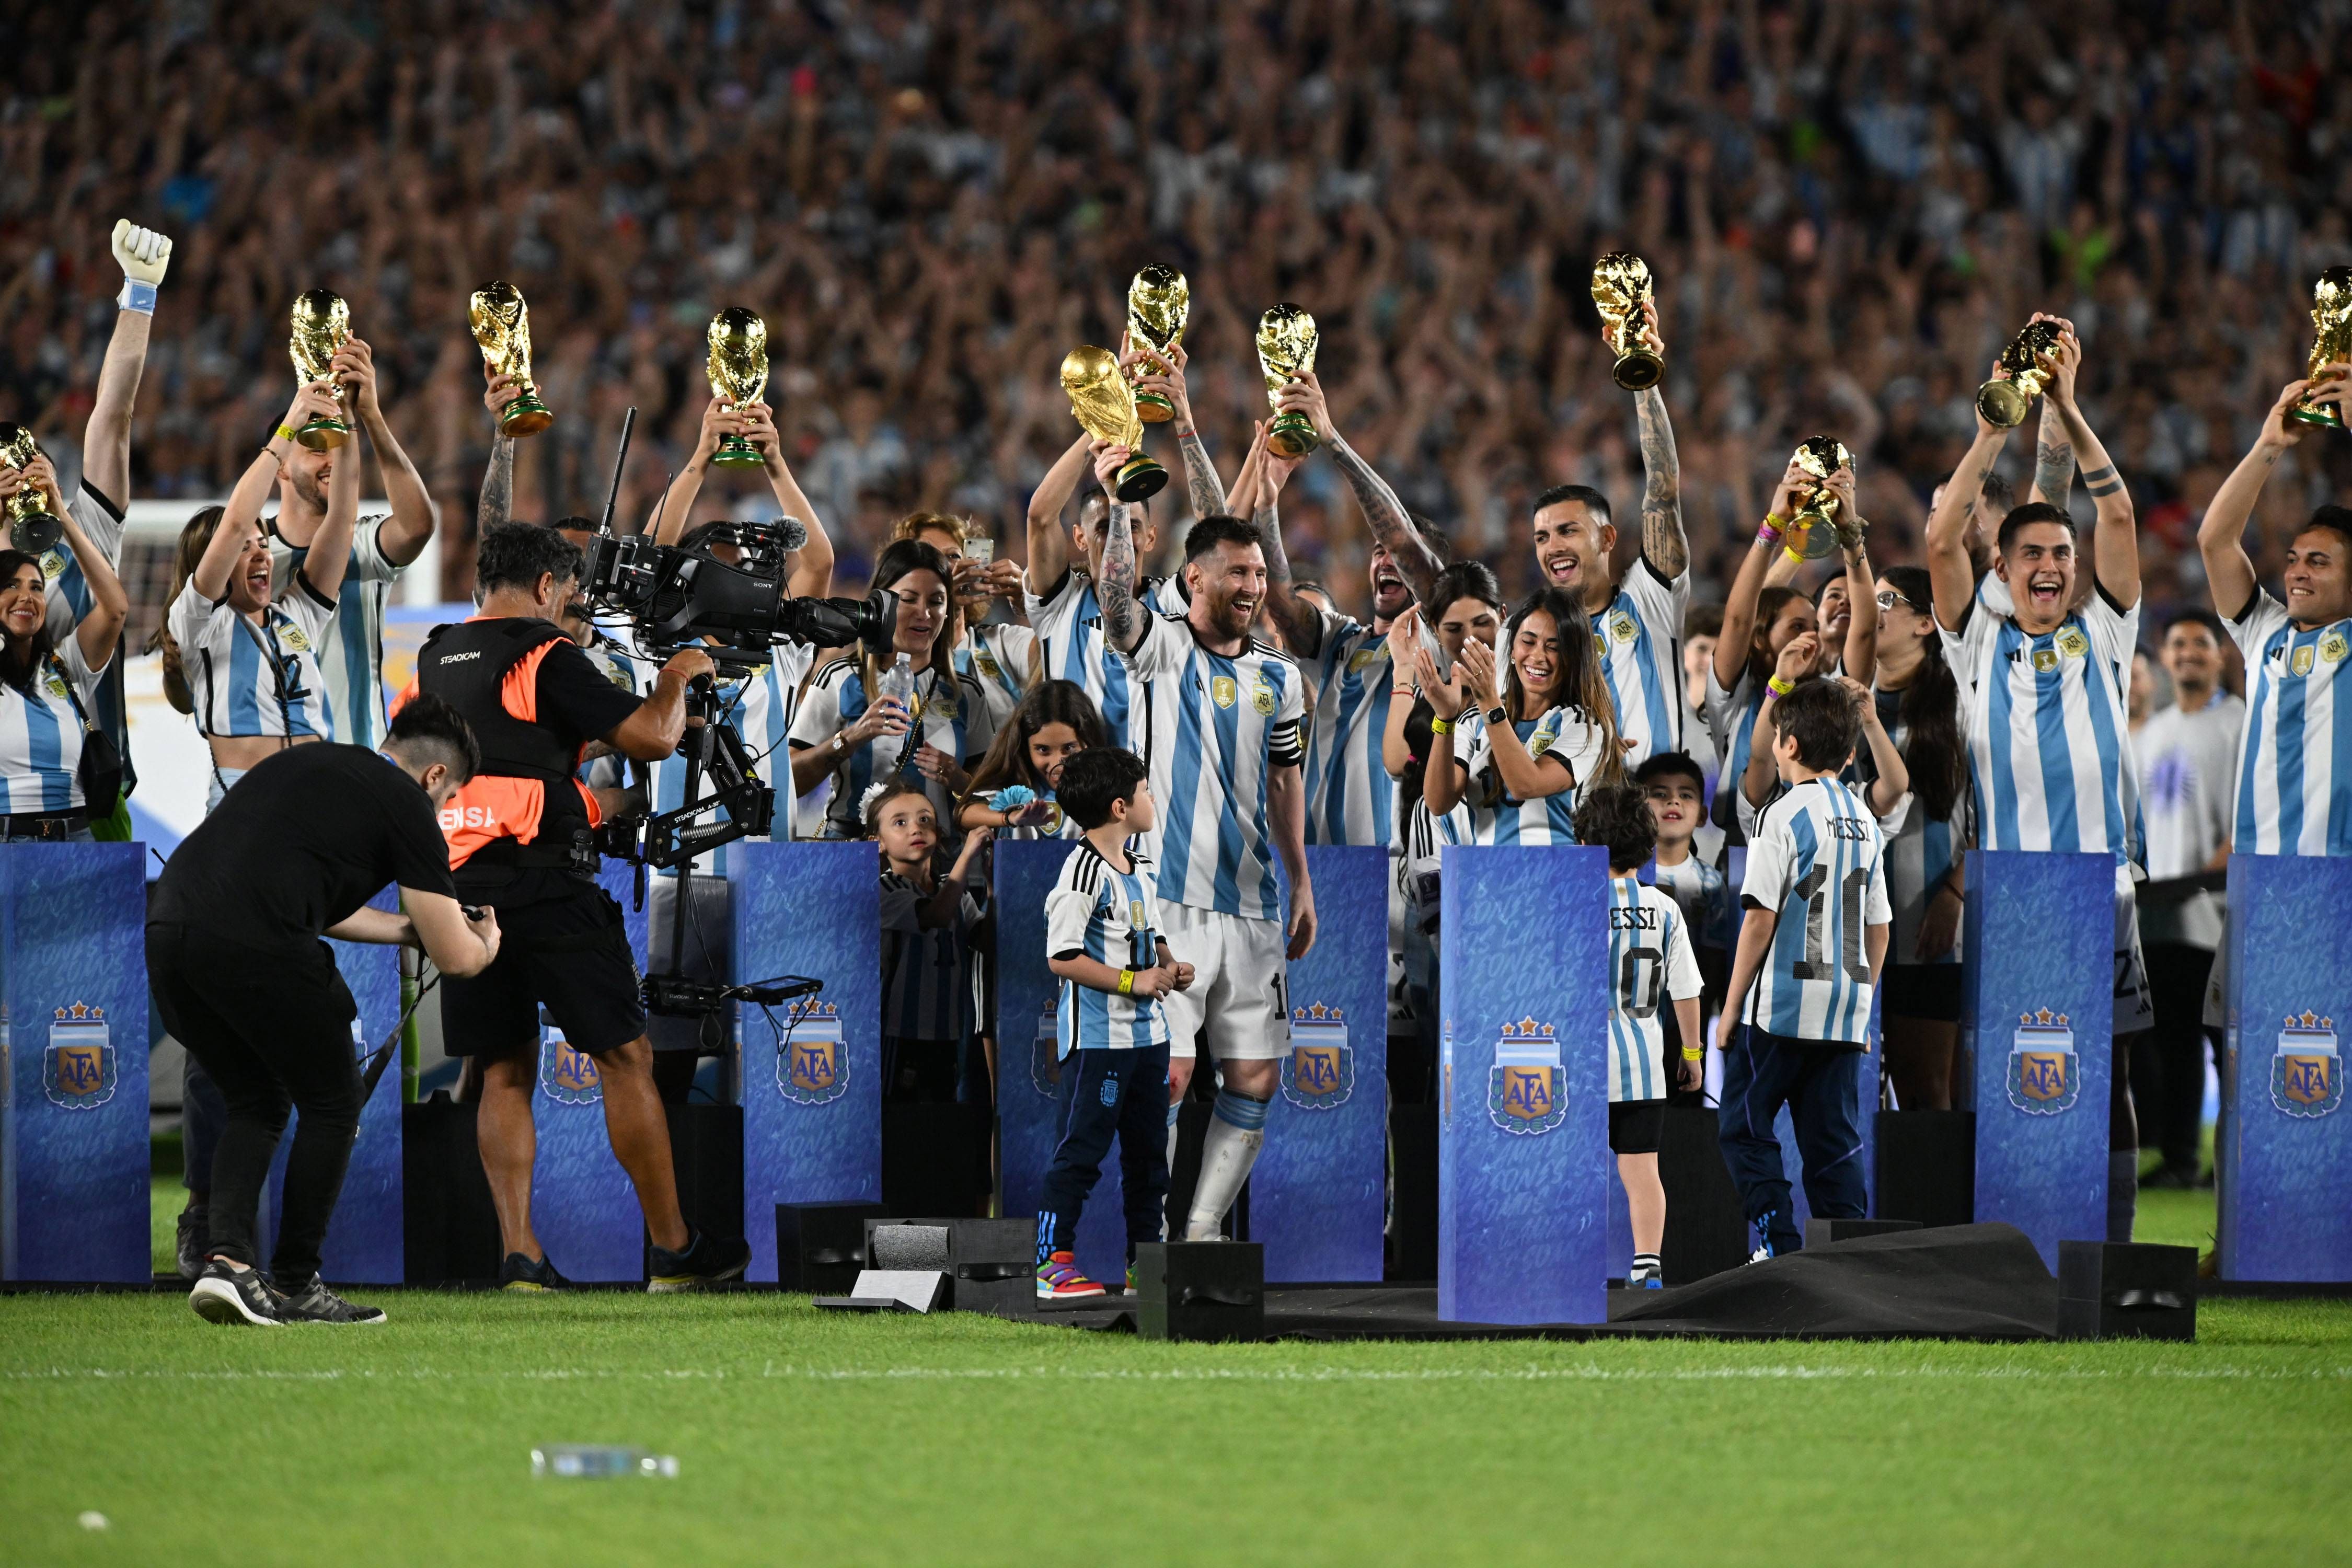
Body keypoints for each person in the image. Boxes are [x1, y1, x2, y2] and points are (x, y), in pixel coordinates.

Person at [406, 522, 750, 1292]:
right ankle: (672, 1251)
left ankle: (519, 1254)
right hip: (548, 885)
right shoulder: (544, 651)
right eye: (568, 592)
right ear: (545, 588)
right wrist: (678, 677)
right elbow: (654, 740)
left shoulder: (436, 655)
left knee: (502, 1069)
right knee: (625, 1056)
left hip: (460, 888)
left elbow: (499, 747)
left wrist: (576, 753)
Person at [150, 695, 501, 1325]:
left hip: (170, 933)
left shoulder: (304, 766)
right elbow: (457, 959)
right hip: (254, 938)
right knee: (335, 1102)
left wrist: (405, 929)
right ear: (435, 777)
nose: (444, 813)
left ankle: (226, 1264)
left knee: (255, 1098)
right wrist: (485, 944)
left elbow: (318, 902)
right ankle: (294, 1284)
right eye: (449, 802)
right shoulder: (408, 807)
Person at [1927, 315, 2150, 1243]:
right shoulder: (1976, 644)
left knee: (2113, 1071)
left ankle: (2116, 1244)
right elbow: (1943, 542)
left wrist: (2066, 405)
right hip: (2011, 895)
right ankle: (2010, 1235)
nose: (2053, 565)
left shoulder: (2107, 631)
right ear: (2006, 571)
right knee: (2015, 1064)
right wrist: (1998, 420)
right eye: (2035, 556)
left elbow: (2123, 514)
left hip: (2108, 886)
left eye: (2063, 554)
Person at [1093, 442, 1314, 1243]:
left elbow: (1286, 782)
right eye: (1237, 574)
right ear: (1195, 579)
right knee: (1175, 1074)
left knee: (1256, 1075)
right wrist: (1121, 504)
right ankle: (1148, 1237)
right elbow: (1116, 602)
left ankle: (1198, 1234)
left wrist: (1302, 881)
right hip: (1169, 901)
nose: (1253, 587)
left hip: (1254, 905)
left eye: (1258, 575)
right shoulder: (1159, 647)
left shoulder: (1279, 678)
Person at [0, 221, 168, 841]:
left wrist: (140, 297)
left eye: (23, 464)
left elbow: (113, 417)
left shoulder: (85, 528)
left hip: (94, 797)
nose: (16, 482)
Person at [1716, 679, 1892, 1261]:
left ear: (1787, 745)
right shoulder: (1865, 820)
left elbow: (1760, 920)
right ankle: (1848, 1260)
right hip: (1843, 1013)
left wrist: (1732, 1008)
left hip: (1781, 1008)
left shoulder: (1783, 815)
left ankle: (1779, 1245)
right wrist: (1862, 1004)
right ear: (1847, 754)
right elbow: (1880, 928)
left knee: (1744, 1127)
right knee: (1833, 1144)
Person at [1243, 374, 1446, 850]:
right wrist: (1268, 506)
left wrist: (1332, 442)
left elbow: (1403, 543)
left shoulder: (1443, 642)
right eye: (1376, 552)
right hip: (1324, 865)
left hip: (1401, 861)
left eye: (1396, 556)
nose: (1386, 559)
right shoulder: (1341, 641)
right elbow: (1279, 603)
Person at [1036, 747, 1193, 1300]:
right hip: (1101, 1042)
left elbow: (1151, 937)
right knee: (1082, 1150)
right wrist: (1134, 982)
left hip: (1149, 1038)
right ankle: (1051, 1264)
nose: (1154, 800)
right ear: (1121, 806)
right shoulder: (1081, 870)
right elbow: (1062, 956)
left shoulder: (1142, 868)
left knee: (1150, 1157)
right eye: (1147, 791)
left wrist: (1171, 966)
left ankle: (1143, 1267)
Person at [159, 381, 359, 808]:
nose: (260, 557)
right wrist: (289, 427)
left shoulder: (298, 615)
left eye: (263, 545)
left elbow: (342, 520)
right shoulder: (198, 623)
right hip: (245, 794)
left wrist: (348, 427)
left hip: (316, 791)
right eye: (244, 549)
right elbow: (233, 524)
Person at [2196, 370, 2352, 859]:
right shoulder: (2265, 629)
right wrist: (2269, 444)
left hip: (2339, 872)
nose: (2298, 573)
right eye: (2294, 560)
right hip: (2259, 875)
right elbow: (2215, 541)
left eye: (2319, 562)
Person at [1527, 298, 1688, 767]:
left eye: (1568, 531)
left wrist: (1643, 379)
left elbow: (1663, 490)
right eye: (1542, 537)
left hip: (1657, 823)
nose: (1553, 546)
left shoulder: (1649, 597)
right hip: (1570, 833)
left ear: (1607, 539)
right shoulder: (1531, 637)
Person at [268, 331, 442, 749]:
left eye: (336, 445)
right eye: (314, 446)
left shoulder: (362, 543)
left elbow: (418, 526)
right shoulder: (253, 556)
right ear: (281, 468)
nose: (331, 459)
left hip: (357, 759)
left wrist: (371, 416)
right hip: (273, 768)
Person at [2129, 609, 2243, 1189]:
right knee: (2172, 1041)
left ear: (2222, 655)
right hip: (2157, 917)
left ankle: (2237, 1164)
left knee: (2226, 1044)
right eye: (2178, 643)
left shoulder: (2238, 722)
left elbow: (2246, 820)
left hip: (2217, 913)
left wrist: (2210, 870)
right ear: (2165, 656)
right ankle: (2180, 1159)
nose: (2189, 652)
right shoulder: (2153, 732)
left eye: (2202, 642)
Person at [1575, 783, 1703, 1288]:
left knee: (1575, 1170)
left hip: (1583, 1070)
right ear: (1648, 848)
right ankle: (1647, 1264)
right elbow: (1687, 990)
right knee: (1642, 1171)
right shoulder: (1664, 908)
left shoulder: (1574, 904)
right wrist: (1691, 1053)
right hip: (1643, 1070)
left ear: (1584, 845)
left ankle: (1569, 1260)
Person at [1709, 457, 1873, 840]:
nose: (1812, 637)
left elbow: (1865, 633)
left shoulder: (1831, 694)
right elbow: (1739, 618)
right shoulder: (1734, 694)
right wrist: (1774, 528)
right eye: (1798, 627)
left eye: (1814, 627)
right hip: (1740, 859)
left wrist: (1851, 538)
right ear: (1760, 637)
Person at [790, 538, 993, 839]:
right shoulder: (839, 678)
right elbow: (789, 778)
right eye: (909, 599)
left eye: (936, 601)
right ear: (880, 604)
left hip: (937, 866)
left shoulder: (967, 693)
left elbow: (989, 796)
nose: (924, 613)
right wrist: (849, 739)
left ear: (949, 611)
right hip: (852, 857)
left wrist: (959, 780)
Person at [1382, 564, 1503, 1059]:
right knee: (1440, 1024)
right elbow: (1395, 761)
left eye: (1482, 625)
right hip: (1432, 846)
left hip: (1497, 867)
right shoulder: (1433, 688)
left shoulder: (1521, 685)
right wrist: (1404, 671)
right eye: (1453, 629)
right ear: (1436, 631)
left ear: (1503, 616)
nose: (1469, 639)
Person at [1867, 566, 1975, 1113]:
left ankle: (1930, 1203)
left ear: (1926, 623)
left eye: (1889, 599)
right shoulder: (1844, 700)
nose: (1874, 607)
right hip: (1851, 933)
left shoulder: (1961, 703)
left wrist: (1955, 894)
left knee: (1924, 1089)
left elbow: (1992, 814)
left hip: (1926, 926)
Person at [1420, 587, 1620, 845]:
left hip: (1558, 878)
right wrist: (1446, 719)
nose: (1538, 656)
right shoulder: (1472, 722)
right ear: (1512, 649)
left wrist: (1490, 702)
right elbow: (1438, 802)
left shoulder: (1585, 726)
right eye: (1528, 642)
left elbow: (1526, 785)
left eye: (1554, 647)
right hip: (1486, 879)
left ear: (1573, 657)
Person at [0, 469, 129, 838]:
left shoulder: (63, 665)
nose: (27, 596)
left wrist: (62, 515)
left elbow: (115, 609)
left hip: (76, 841)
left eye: (37, 588)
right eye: (11, 586)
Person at [871, 780, 991, 1102]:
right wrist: (968, 856)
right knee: (899, 1120)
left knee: (938, 1125)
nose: (916, 828)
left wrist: (993, 888)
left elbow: (986, 940)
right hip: (899, 1031)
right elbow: (935, 916)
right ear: (879, 842)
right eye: (901, 823)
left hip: (948, 1031)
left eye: (925, 819)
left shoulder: (953, 891)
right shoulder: (886, 889)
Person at [1635, 750, 1732, 1094]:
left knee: (1682, 1111)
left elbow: (1714, 962)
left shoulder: (1710, 885)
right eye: (1659, 794)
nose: (1672, 800)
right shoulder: (1619, 875)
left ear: (1703, 814)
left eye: (1685, 795)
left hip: (1685, 1025)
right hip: (1628, 1026)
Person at [895, 511, 1036, 737]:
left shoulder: (1000, 643)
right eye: (930, 557)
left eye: (953, 556)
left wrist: (1033, 605)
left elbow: (1062, 653)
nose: (948, 568)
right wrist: (937, 603)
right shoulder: (894, 660)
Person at [958, 679, 1108, 839]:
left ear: (1088, 742)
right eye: (1044, 750)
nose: (1058, 762)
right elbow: (965, 814)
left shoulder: (1106, 789)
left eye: (1068, 749)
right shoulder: (1017, 789)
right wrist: (1010, 818)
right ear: (1025, 747)